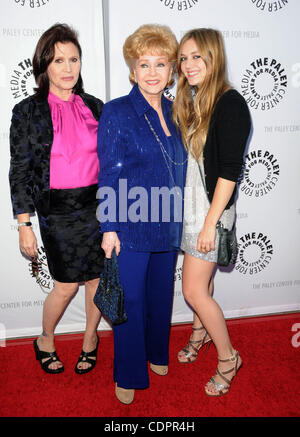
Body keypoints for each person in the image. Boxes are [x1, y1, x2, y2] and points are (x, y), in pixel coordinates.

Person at [97, 24, 187, 404]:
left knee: (159, 295)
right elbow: (108, 172)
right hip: (130, 224)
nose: (152, 72)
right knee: (130, 301)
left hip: (168, 222)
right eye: (144, 64)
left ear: (171, 71)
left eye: (160, 64)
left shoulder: (178, 109)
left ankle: (156, 352)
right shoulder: (117, 111)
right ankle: (128, 371)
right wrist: (109, 227)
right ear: (132, 70)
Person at [9, 23, 105, 375]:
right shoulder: (27, 112)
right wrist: (24, 224)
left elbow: (113, 162)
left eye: (74, 59)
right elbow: (19, 170)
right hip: (58, 215)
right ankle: (45, 339)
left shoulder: (96, 107)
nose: (68, 68)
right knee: (65, 286)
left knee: (97, 280)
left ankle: (90, 339)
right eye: (59, 60)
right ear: (44, 65)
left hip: (98, 209)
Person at [173, 28, 251, 396]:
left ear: (213, 56)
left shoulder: (230, 103)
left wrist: (208, 224)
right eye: (183, 58)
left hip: (210, 213)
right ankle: (199, 334)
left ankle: (228, 358)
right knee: (202, 284)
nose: (188, 65)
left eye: (196, 57)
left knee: (192, 290)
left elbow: (229, 171)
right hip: (192, 209)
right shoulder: (195, 97)